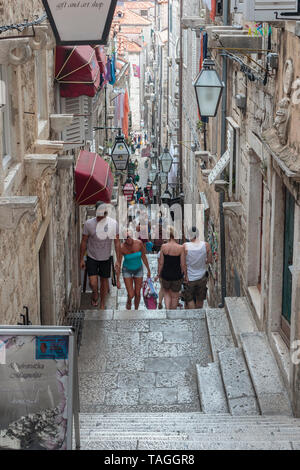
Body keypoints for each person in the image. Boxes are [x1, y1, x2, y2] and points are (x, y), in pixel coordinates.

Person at [80, 201, 120, 309]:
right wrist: (81, 259)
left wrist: (118, 261)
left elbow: (117, 242)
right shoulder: (89, 224)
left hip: (106, 257)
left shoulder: (113, 224)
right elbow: (84, 241)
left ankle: (102, 303)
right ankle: (95, 293)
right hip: (92, 256)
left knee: (104, 281)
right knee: (93, 283)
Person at [116, 230, 151, 310]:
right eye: (125, 238)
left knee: (138, 294)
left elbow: (144, 257)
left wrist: (148, 270)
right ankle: (129, 299)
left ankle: (136, 310)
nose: (128, 239)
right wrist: (118, 280)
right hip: (127, 270)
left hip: (138, 269)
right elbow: (119, 263)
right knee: (131, 295)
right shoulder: (122, 247)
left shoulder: (139, 243)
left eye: (129, 237)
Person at [155, 227, 187, 310]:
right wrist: (186, 275)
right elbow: (183, 264)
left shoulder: (163, 247)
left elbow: (161, 263)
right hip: (177, 275)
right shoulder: (180, 248)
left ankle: (167, 311)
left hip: (165, 275)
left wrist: (158, 274)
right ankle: (173, 313)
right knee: (175, 296)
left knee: (166, 293)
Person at [183, 227, 213, 309]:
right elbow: (210, 260)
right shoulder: (206, 245)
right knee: (200, 299)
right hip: (202, 277)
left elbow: (182, 264)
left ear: (189, 235)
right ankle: (199, 316)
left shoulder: (185, 246)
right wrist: (203, 261)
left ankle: (193, 315)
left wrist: (185, 275)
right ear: (198, 235)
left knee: (189, 299)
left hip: (189, 278)